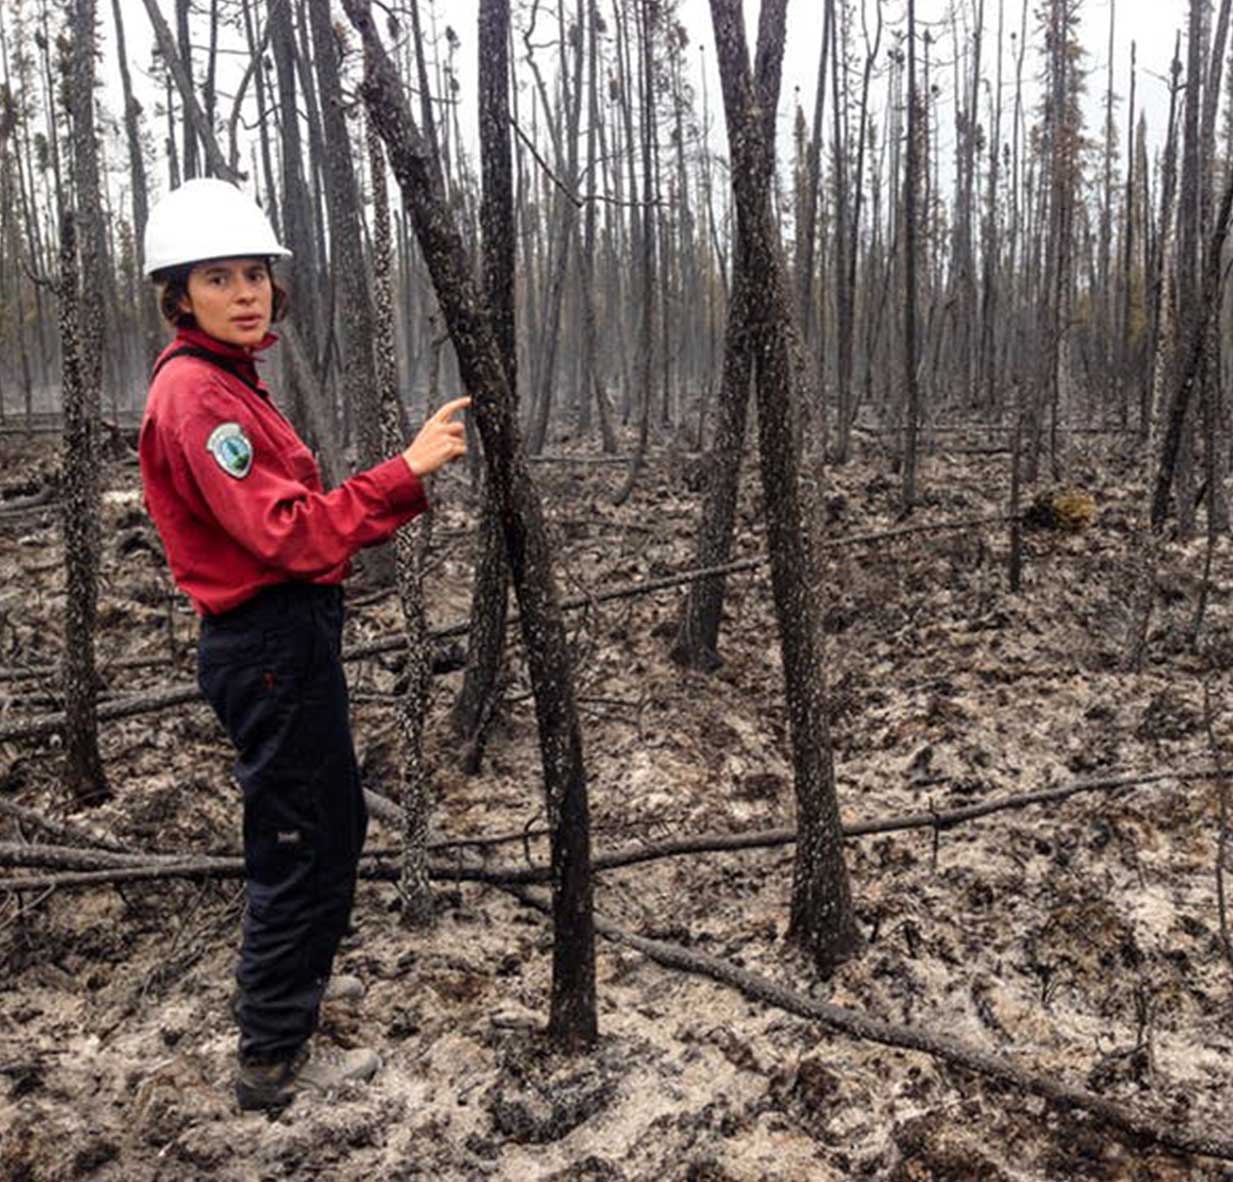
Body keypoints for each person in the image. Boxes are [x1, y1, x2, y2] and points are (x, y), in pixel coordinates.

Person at [137, 177, 469, 1112]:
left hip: (286, 637)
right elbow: (286, 533)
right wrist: (400, 475)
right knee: (298, 839)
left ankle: (291, 1006)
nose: (244, 292)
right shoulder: (200, 398)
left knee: (332, 826)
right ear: (179, 296)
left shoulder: (227, 382)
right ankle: (271, 1059)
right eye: (216, 278)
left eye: (255, 273)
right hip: (265, 641)